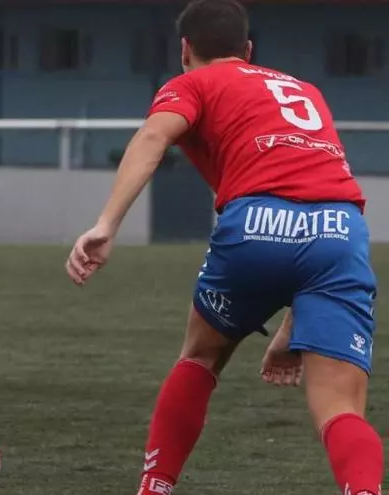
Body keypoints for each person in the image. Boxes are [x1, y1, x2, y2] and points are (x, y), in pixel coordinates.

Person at [65, 1, 382, 494]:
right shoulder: (305, 90)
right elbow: (310, 210)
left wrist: (106, 224)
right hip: (340, 230)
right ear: (248, 50)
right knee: (340, 408)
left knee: (200, 358)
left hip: (255, 223)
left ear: (185, 50)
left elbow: (152, 137)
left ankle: (155, 487)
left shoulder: (192, 82)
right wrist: (296, 322)